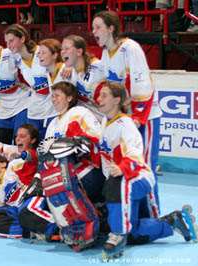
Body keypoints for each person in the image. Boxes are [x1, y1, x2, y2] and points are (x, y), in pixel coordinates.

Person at [96, 82, 197, 261]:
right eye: (99, 95)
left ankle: (118, 235)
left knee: (115, 186)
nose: (98, 99)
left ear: (117, 100)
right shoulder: (105, 121)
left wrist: (122, 167)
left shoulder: (125, 124)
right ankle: (174, 221)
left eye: (104, 95)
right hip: (121, 178)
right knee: (134, 233)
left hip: (137, 176)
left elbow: (134, 153)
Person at [19, 81, 104, 250]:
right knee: (28, 209)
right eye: (52, 96)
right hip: (60, 176)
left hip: (87, 171)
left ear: (70, 98)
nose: (53, 99)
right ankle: (68, 227)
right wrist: (38, 178)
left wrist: (74, 145)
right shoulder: (52, 124)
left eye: (57, 95)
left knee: (58, 181)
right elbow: (46, 158)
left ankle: (85, 226)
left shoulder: (79, 113)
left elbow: (95, 141)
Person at [92, 10, 162, 214]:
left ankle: (154, 216)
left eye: (98, 27)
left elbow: (142, 83)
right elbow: (102, 80)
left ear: (111, 28)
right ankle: (136, 214)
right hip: (125, 118)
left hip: (145, 117)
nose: (93, 31)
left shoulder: (130, 48)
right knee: (125, 164)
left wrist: (138, 117)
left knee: (144, 167)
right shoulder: (106, 52)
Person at [4, 24, 56, 138]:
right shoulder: (15, 58)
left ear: (22, 38)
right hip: (35, 110)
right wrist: (27, 87)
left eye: (11, 41)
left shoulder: (41, 51)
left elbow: (59, 58)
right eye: (6, 42)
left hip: (53, 109)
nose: (8, 45)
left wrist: (66, 67)